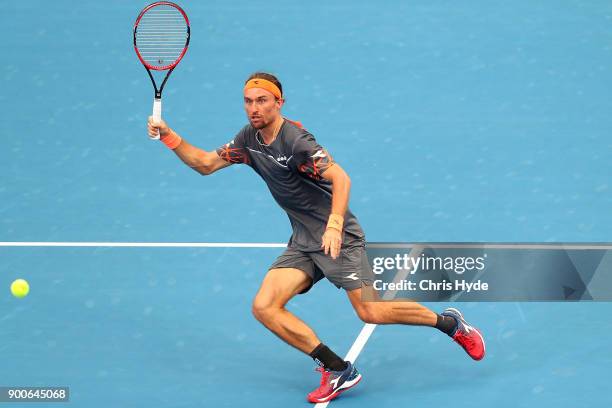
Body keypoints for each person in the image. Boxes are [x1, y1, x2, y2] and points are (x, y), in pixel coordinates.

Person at [146, 72, 486, 403]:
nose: (254, 108)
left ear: (279, 103)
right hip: (304, 242)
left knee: (371, 311)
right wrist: (169, 136)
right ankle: (337, 369)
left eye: (262, 100)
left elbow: (341, 177)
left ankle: (450, 324)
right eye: (248, 101)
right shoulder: (247, 140)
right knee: (264, 307)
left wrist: (335, 224)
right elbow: (205, 163)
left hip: (339, 238)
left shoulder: (297, 141)